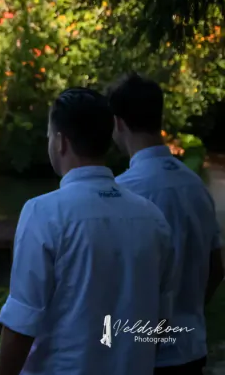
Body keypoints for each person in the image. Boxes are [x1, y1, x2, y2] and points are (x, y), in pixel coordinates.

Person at [0, 87, 175, 375]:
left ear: (60, 142)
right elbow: (161, 321)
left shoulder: (43, 213)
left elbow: (21, 321)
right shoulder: (153, 217)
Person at [108, 73, 224, 375]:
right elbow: (217, 266)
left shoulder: (122, 191)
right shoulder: (196, 186)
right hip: (192, 349)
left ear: (118, 124)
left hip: (143, 357)